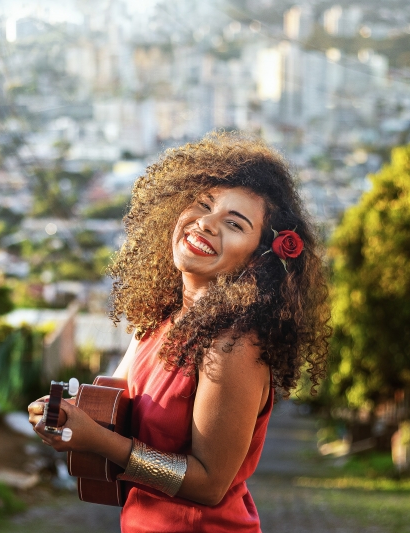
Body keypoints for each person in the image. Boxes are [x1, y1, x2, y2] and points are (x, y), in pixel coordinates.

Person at [28, 132, 331, 532]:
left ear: (260, 259)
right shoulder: (160, 322)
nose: (206, 223)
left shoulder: (233, 346)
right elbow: (106, 408)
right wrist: (63, 414)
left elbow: (208, 484)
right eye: (203, 205)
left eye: (234, 223)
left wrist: (94, 441)